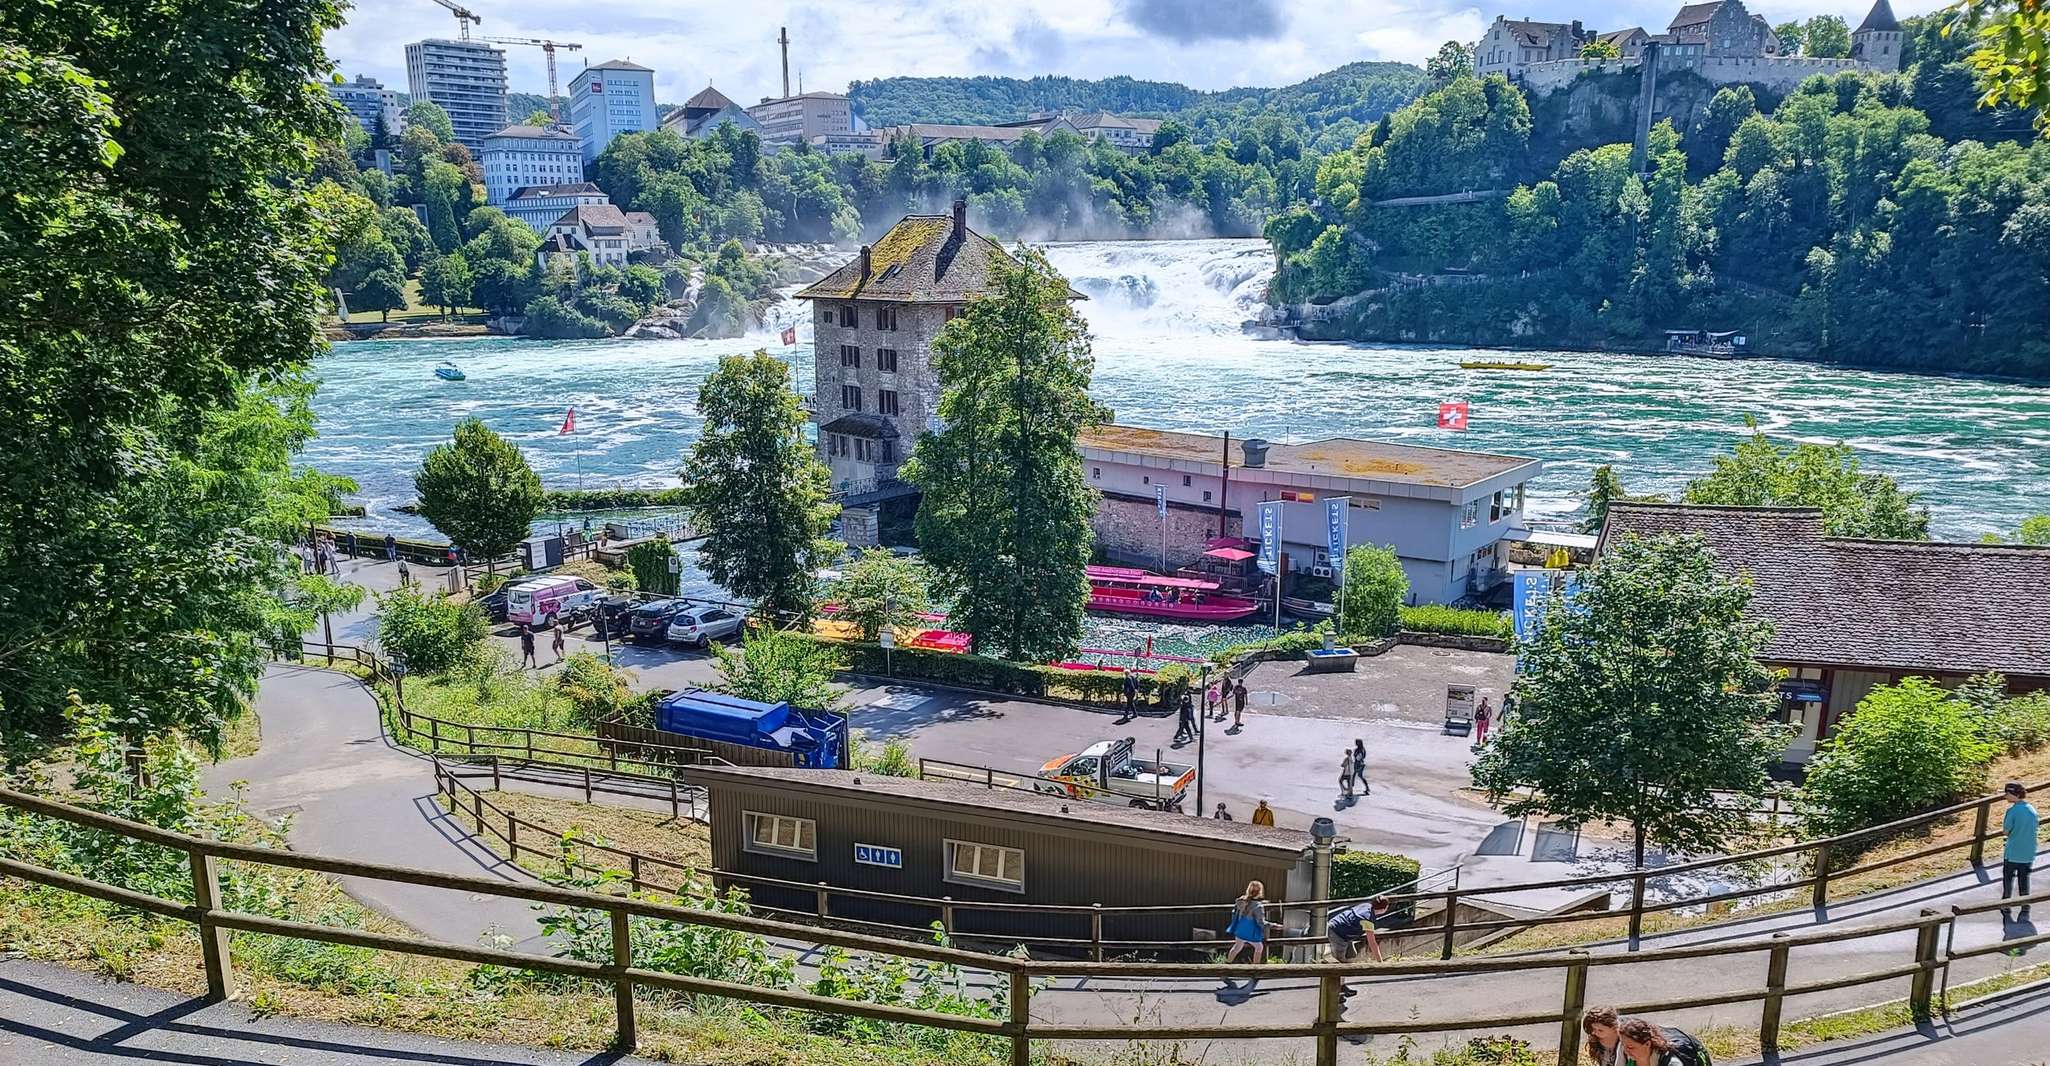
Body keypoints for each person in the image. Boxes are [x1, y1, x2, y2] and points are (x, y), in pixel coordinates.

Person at [1326, 896, 1390, 999]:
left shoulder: (1367, 906)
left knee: (1350, 957)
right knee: (1341, 963)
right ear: (1384, 909)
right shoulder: (1367, 920)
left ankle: (1342, 986)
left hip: (1343, 930)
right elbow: (1372, 942)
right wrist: (1380, 962)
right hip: (1338, 933)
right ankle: (1336, 993)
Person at [1220, 880, 1268, 988]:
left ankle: (1226, 966)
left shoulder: (1241, 900)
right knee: (1259, 947)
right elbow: (1261, 922)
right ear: (1260, 891)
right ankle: (1255, 970)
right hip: (1250, 932)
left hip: (1240, 929)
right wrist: (1275, 925)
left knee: (1237, 946)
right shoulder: (1258, 906)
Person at [1617, 1018, 1711, 1066]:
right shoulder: (1627, 1054)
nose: (1625, 1051)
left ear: (1647, 1044)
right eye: (1623, 1045)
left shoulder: (1672, 1063)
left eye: (1630, 1047)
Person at [2005, 781, 2039, 912]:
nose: (2005, 796)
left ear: (2014, 795)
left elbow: (2006, 830)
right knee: (2024, 878)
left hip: (2013, 850)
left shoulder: (2012, 811)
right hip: (2028, 851)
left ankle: (2006, 903)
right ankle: (2025, 903)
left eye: (2007, 794)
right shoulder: (2032, 809)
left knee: (2008, 878)